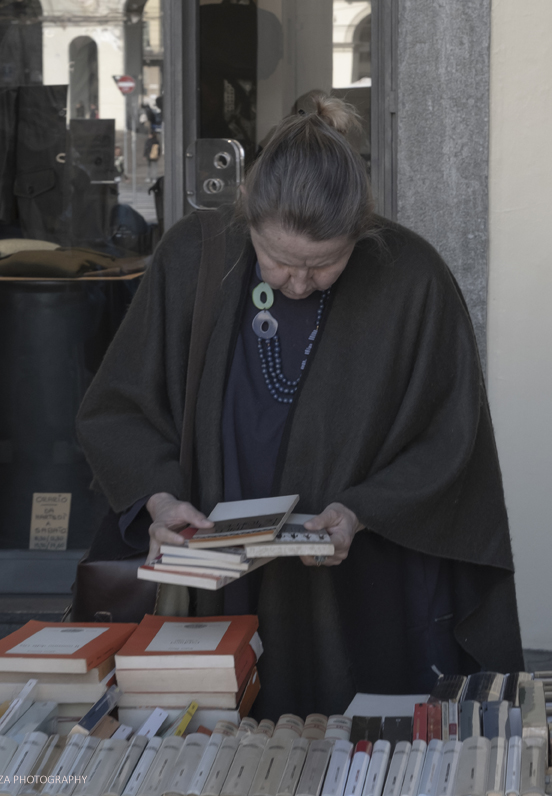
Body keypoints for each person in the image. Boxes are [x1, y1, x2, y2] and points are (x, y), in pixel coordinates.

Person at [77, 93, 523, 717]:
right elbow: (121, 408)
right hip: (217, 587)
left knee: (358, 752)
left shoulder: (412, 277)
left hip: (362, 595)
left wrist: (361, 512)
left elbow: (451, 438)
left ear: (361, 231)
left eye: (324, 265)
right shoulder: (192, 257)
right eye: (280, 260)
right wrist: (160, 499)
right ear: (247, 219)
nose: (297, 283)